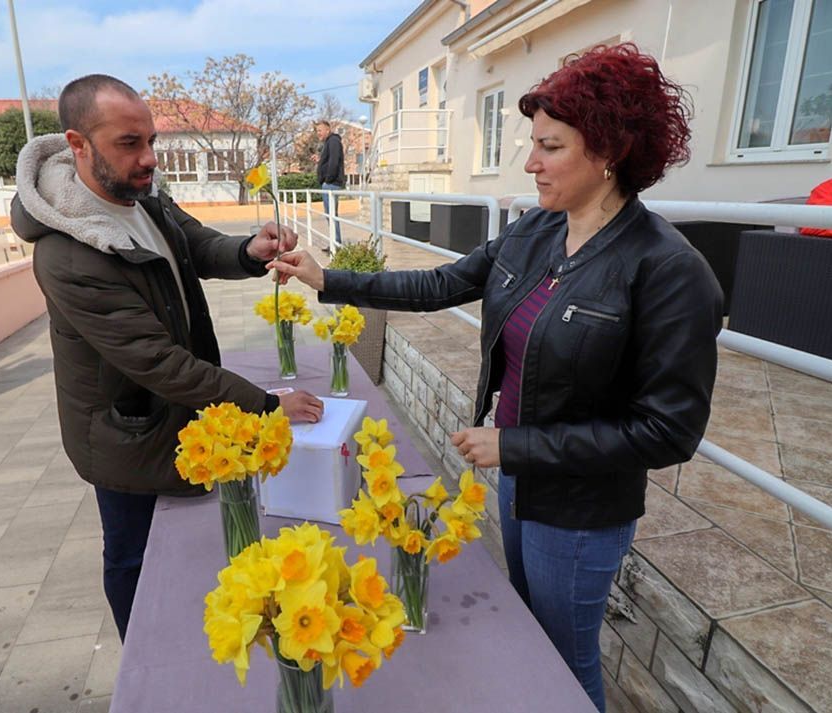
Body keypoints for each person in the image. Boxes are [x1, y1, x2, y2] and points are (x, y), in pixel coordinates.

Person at [269, 44, 722, 712]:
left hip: (578, 510)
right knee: (532, 643)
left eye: (550, 147)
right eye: (532, 144)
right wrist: (328, 278)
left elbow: (668, 431)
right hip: (519, 481)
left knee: (564, 659)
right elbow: (444, 281)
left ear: (609, 152)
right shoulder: (537, 230)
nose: (530, 163)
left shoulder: (668, 270)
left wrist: (516, 446)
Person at [10, 74, 324, 642]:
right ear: (77, 144)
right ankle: (143, 662)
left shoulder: (141, 195)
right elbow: (157, 362)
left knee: (189, 544)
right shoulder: (68, 254)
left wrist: (248, 252)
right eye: (129, 143)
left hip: (174, 413)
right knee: (132, 557)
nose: (149, 158)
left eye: (151, 140)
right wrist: (264, 404)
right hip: (124, 433)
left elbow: (195, 244)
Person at [315, 120, 345, 248]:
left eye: (320, 130)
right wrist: (320, 160)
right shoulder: (329, 142)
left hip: (331, 184)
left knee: (331, 215)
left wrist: (328, 179)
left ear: (328, 130)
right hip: (329, 183)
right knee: (330, 215)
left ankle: (336, 244)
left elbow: (334, 161)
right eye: (317, 131)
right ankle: (335, 243)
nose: (318, 133)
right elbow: (329, 161)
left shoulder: (333, 141)